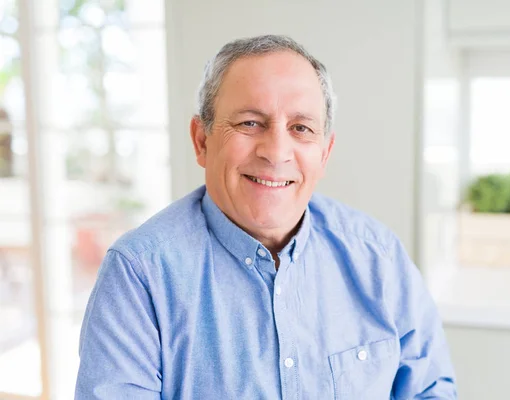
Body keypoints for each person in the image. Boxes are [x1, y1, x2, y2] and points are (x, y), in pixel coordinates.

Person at [75, 34, 456, 399]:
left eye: (301, 128)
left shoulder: (379, 257)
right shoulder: (139, 275)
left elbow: (431, 392)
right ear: (201, 141)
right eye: (249, 123)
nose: (276, 152)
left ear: (324, 153)